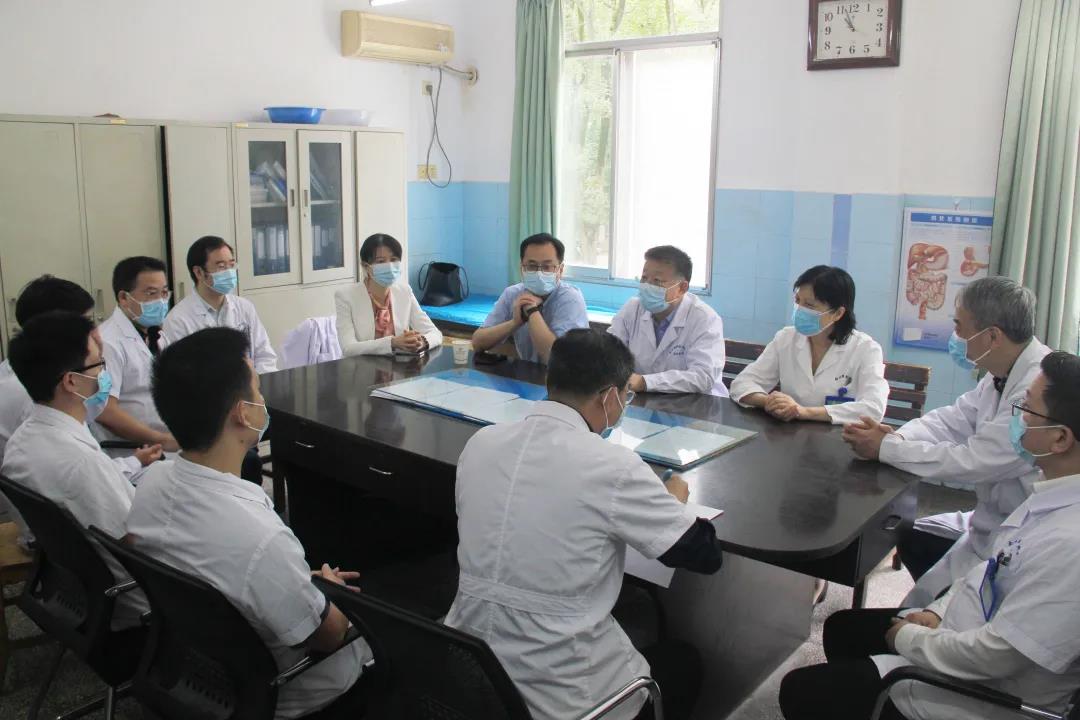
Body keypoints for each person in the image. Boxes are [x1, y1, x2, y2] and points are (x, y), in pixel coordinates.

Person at [780, 351, 1080, 720]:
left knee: (800, 690)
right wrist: (936, 612)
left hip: (981, 695)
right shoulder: (1048, 495)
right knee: (842, 627)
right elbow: (988, 570)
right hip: (961, 630)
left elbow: (997, 656)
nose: (1016, 418)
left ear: (1060, 438)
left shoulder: (1070, 544)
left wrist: (910, 639)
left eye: (1026, 409)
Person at [445, 329, 723, 720]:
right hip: (565, 697)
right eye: (625, 396)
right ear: (610, 396)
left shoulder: (481, 442)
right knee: (683, 663)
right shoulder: (613, 465)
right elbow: (703, 553)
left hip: (470, 669)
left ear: (550, 379)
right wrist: (673, 501)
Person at [125, 328, 369, 719]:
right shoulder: (261, 538)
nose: (262, 399)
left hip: (198, 672)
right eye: (257, 389)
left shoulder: (151, 483)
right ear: (242, 413)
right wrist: (330, 592)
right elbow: (330, 635)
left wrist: (293, 581)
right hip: (296, 695)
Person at [843, 277, 1049, 606]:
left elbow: (976, 461)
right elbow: (952, 419)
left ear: (993, 336)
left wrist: (887, 448)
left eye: (959, 326)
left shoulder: (1037, 388)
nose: (955, 336)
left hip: (1019, 534)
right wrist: (897, 437)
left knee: (925, 615)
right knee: (912, 541)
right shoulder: (1001, 375)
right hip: (989, 520)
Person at [2, 312, 148, 627]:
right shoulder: (79, 462)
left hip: (76, 590)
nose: (104, 374)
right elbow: (136, 542)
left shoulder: (22, 441)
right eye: (98, 364)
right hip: (132, 603)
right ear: (71, 381)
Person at [730, 265, 889, 425]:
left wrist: (804, 412)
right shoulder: (786, 338)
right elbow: (742, 383)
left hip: (837, 437)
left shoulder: (866, 349)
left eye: (810, 305)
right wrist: (769, 401)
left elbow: (873, 409)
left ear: (838, 313)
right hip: (788, 433)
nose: (800, 310)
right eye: (797, 301)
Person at [1, 276, 101, 463]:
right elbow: (74, 462)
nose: (95, 331)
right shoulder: (34, 389)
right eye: (86, 323)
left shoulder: (26, 366)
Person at [608, 245, 728, 396]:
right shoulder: (632, 309)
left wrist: (645, 382)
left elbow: (703, 376)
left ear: (682, 288)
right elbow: (609, 353)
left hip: (696, 403)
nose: (647, 286)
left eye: (657, 281)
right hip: (643, 399)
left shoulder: (705, 319)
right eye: (644, 278)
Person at [95, 257, 178, 452]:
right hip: (135, 451)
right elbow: (105, 411)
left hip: (169, 438)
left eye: (164, 293)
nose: (161, 301)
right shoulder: (108, 343)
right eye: (151, 293)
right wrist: (162, 440)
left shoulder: (156, 334)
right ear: (124, 298)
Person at [162, 235, 278, 374]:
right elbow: (181, 375)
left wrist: (256, 383)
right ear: (199, 272)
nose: (229, 272)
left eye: (231, 265)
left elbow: (265, 355)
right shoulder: (177, 320)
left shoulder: (244, 307)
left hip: (249, 385)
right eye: (221, 267)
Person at [471, 233, 589, 364]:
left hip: (565, 375)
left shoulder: (570, 298)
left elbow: (556, 360)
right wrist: (515, 323)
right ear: (522, 269)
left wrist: (532, 310)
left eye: (547, 267)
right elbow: (477, 343)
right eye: (532, 266)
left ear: (560, 270)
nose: (539, 273)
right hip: (529, 372)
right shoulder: (512, 294)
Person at [335, 233, 442, 357]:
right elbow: (348, 348)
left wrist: (422, 342)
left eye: (394, 259)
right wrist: (392, 343)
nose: (390, 266)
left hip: (400, 366)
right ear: (366, 266)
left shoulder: (404, 291)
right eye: (381, 261)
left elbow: (435, 333)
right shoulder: (346, 296)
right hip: (361, 366)